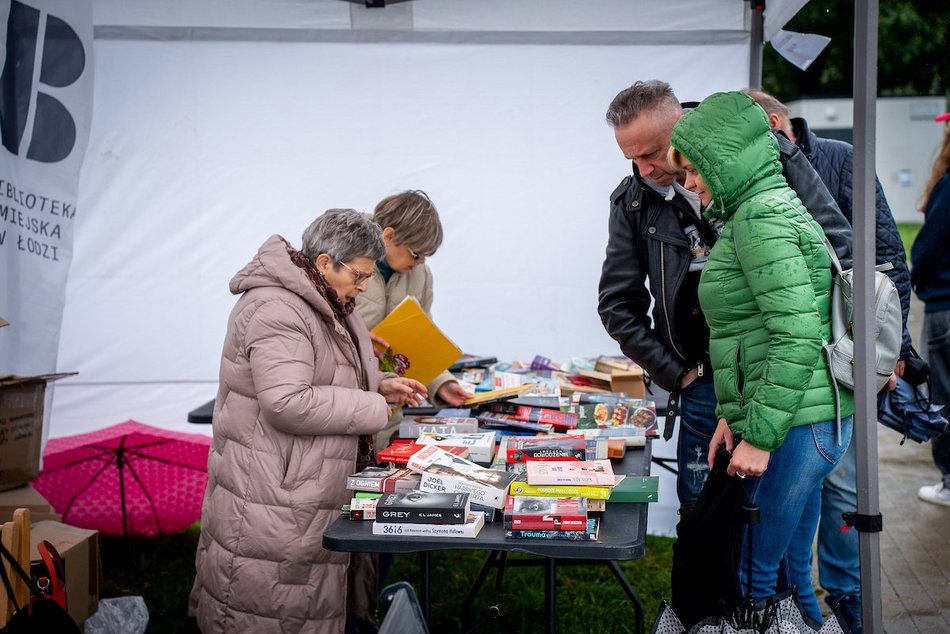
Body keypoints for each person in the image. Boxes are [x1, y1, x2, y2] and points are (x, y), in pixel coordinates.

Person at [598, 81, 851, 513]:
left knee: (781, 518)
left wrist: (852, 346)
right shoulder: (634, 200)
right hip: (703, 384)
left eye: (652, 153)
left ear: (682, 129)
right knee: (702, 517)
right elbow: (617, 304)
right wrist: (678, 374)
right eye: (631, 158)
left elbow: (837, 249)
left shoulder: (763, 150)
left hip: (784, 376)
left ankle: (786, 585)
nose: (643, 170)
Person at [189, 209, 427, 633]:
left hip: (298, 487)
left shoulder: (329, 297)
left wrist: (382, 383)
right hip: (273, 495)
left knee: (308, 604)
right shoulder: (275, 309)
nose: (364, 285)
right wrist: (373, 406)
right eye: (358, 275)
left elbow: (331, 370)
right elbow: (288, 401)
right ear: (322, 263)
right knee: (271, 608)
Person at [669, 90, 855, 622]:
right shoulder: (766, 204)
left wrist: (760, 435)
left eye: (693, 170)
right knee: (791, 580)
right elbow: (758, 330)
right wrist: (736, 417)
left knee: (754, 577)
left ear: (723, 160)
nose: (689, 184)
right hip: (805, 418)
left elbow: (794, 334)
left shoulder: (759, 218)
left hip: (796, 425)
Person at [746, 89, 912, 632]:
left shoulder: (838, 159)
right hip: (795, 373)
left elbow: (886, 256)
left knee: (842, 485)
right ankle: (803, 605)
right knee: (798, 492)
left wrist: (894, 351)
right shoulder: (754, 180)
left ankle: (846, 598)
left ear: (776, 124)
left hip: (844, 363)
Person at [356, 190, 471, 450]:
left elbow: (420, 340)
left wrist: (441, 383)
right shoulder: (346, 261)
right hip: (346, 403)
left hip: (389, 411)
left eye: (426, 256)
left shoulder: (422, 276)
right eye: (415, 254)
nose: (419, 263)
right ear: (388, 236)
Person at [911, 111, 950, 507]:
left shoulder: (948, 184)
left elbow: (928, 247)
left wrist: (918, 279)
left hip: (944, 308)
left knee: (943, 397)